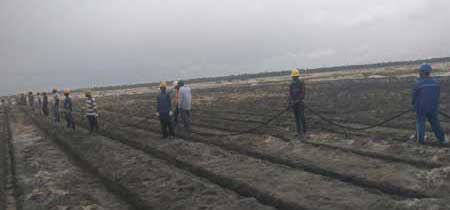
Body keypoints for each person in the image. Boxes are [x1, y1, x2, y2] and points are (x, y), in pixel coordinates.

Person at [412, 63, 448, 144]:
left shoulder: (418, 83)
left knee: (420, 123)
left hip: (421, 108)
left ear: (423, 72)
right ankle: (442, 140)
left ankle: (420, 140)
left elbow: (414, 96)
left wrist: (413, 104)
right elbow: (437, 95)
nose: (419, 73)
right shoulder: (435, 82)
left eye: (420, 71)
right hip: (433, 107)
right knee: (435, 124)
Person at [289, 68, 306, 139]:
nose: (294, 78)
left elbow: (303, 93)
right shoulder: (291, 84)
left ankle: (304, 131)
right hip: (294, 104)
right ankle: (299, 132)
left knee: (302, 117)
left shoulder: (301, 83)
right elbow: (290, 94)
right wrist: (290, 102)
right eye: (294, 77)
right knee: (296, 118)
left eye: (295, 77)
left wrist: (299, 99)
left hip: (299, 103)